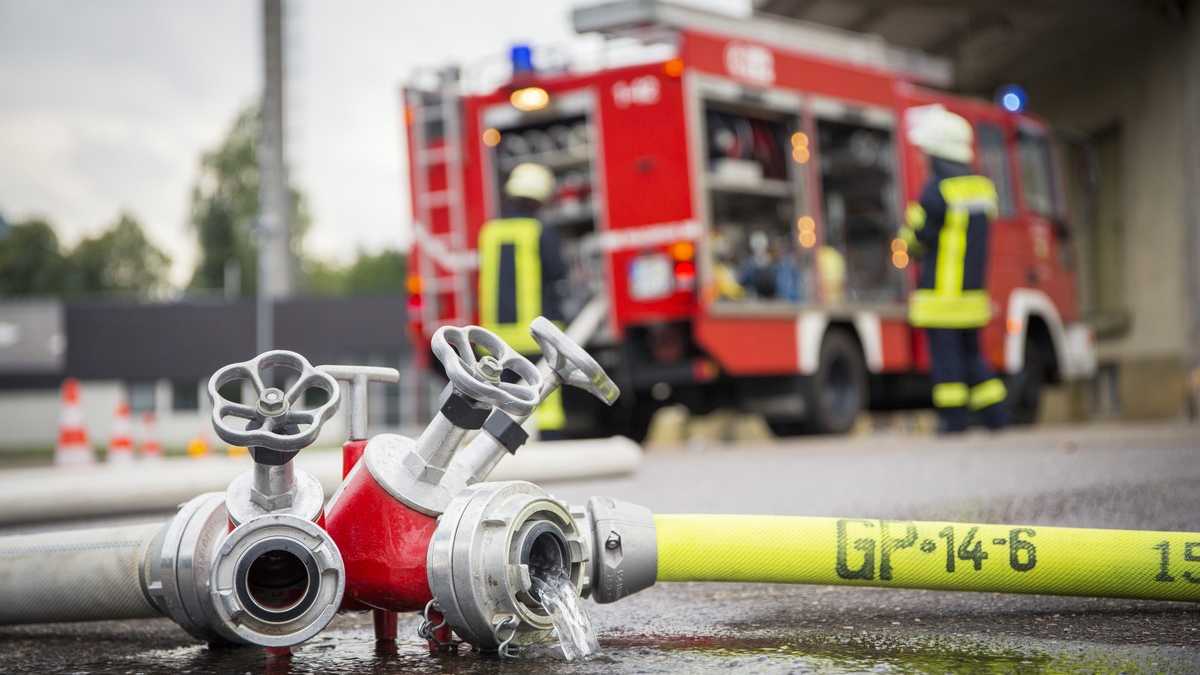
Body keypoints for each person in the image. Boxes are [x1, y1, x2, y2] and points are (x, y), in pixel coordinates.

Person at [900, 105, 1010, 433]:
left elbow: (919, 241)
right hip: (972, 294)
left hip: (942, 295)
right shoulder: (983, 188)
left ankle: (954, 420)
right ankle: (997, 416)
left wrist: (910, 226)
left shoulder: (936, 192)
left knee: (947, 363)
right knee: (974, 357)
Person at [477, 162, 568, 438]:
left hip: (497, 339)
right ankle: (550, 445)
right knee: (545, 398)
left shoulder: (490, 231)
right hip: (536, 334)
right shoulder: (538, 230)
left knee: (502, 400)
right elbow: (557, 272)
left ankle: (497, 450)